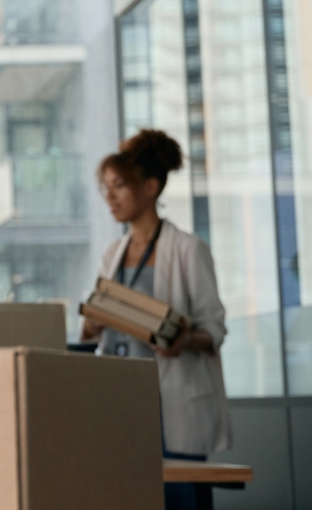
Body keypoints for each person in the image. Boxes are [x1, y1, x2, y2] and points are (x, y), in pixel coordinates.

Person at [81, 129, 230, 510]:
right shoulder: (113, 253)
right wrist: (90, 327)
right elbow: (100, 322)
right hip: (121, 401)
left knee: (181, 500)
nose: (110, 197)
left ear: (150, 187)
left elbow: (214, 327)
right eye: (106, 187)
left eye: (119, 186)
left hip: (170, 402)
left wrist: (184, 341)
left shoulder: (187, 249)